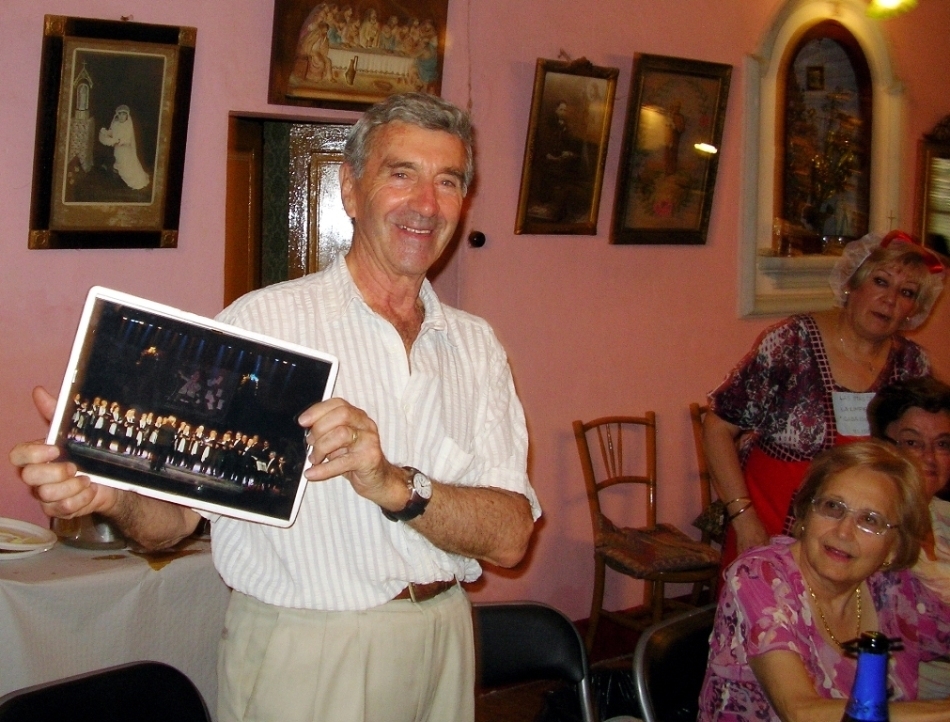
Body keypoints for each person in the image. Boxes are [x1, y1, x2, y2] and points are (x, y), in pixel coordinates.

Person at [11, 92, 540, 722]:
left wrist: (396, 485)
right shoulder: (263, 326)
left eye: (447, 181)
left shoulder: (477, 347)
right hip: (308, 652)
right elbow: (173, 523)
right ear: (350, 190)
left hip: (446, 639)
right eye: (401, 174)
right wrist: (114, 495)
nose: (426, 204)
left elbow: (511, 537)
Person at [703, 231, 945, 568]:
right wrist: (744, 518)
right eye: (880, 281)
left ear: (914, 310)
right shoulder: (792, 342)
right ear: (852, 283)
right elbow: (717, 427)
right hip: (771, 531)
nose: (889, 300)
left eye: (906, 293)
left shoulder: (911, 364)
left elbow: (924, 454)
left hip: (860, 545)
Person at [698, 441, 950, 721]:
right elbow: (800, 712)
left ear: (894, 546)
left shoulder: (892, 587)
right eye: (832, 506)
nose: (843, 532)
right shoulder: (760, 576)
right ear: (806, 512)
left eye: (870, 520)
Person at [868, 376, 950, 698]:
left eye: (942, 444)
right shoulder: (871, 532)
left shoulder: (943, 516)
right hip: (912, 699)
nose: (930, 457)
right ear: (883, 448)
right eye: (913, 443)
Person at [98, 105, 150, 190]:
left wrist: (118, 141)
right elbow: (112, 133)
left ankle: (134, 181)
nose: (122, 116)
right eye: (120, 114)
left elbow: (128, 138)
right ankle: (117, 175)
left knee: (127, 165)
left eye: (124, 114)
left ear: (127, 116)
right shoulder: (115, 124)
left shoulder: (128, 125)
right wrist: (106, 133)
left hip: (125, 149)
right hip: (117, 149)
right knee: (120, 163)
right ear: (117, 115)